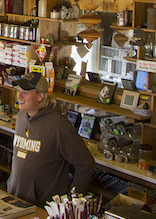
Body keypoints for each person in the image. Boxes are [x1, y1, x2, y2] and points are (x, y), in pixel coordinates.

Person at [7, 72, 95, 205]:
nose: (19, 96)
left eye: (25, 92)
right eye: (18, 91)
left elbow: (86, 163)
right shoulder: (21, 116)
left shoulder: (59, 126)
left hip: (43, 206)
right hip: (16, 196)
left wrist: (72, 198)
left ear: (40, 96)